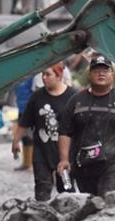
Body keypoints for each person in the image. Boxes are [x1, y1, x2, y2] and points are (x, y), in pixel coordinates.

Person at [58, 55, 115, 196]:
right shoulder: (76, 101)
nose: (101, 73)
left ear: (112, 74)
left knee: (109, 195)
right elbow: (65, 132)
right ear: (89, 75)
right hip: (84, 166)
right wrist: (64, 159)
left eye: (105, 70)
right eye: (96, 70)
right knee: (90, 204)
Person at [12, 63, 76, 201]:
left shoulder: (73, 96)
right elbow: (25, 121)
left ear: (59, 76)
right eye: (43, 75)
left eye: (48, 74)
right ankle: (42, 219)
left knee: (67, 191)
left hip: (65, 153)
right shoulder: (37, 96)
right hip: (42, 150)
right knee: (42, 189)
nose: (44, 78)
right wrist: (16, 141)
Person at [13, 75, 36, 170]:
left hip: (30, 109)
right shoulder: (17, 78)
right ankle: (26, 162)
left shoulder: (33, 76)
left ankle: (30, 162)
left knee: (31, 136)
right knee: (25, 137)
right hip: (21, 108)